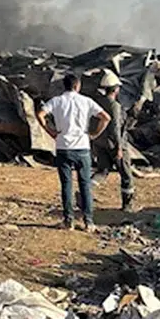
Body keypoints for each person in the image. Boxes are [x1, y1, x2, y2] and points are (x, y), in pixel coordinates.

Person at [37, 73, 111, 231]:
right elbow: (106, 117)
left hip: (63, 147)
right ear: (77, 86)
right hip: (83, 147)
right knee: (85, 185)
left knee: (66, 185)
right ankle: (88, 222)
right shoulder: (86, 101)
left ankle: (68, 221)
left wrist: (50, 131)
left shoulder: (56, 101)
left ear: (64, 86)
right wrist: (94, 134)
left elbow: (40, 114)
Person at [96, 69, 136, 213]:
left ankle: (85, 191)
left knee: (102, 171)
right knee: (126, 175)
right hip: (115, 144)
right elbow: (115, 128)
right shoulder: (114, 106)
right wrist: (119, 147)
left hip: (100, 143)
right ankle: (128, 205)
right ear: (116, 89)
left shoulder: (97, 102)